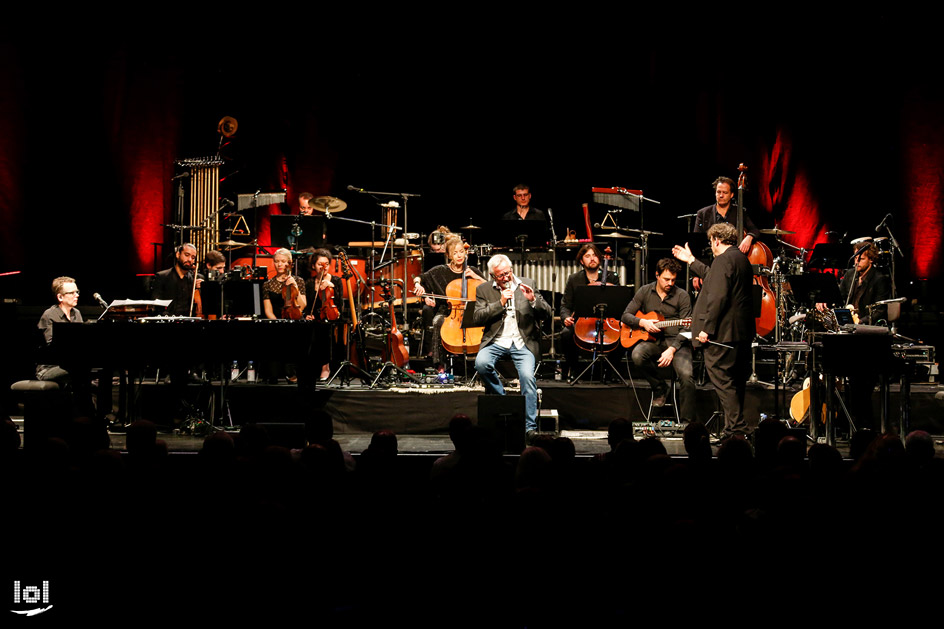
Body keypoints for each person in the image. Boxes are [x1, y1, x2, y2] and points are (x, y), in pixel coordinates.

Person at [672, 223, 754, 440]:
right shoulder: (740, 259)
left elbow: (718, 297)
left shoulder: (723, 260)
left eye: (711, 242)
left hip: (722, 334)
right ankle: (732, 431)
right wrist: (691, 261)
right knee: (734, 382)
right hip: (739, 334)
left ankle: (738, 429)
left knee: (723, 380)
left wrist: (707, 329)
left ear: (717, 240)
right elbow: (713, 277)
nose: (711, 246)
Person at [472, 254, 551, 438]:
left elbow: (546, 312)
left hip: (522, 342)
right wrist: (499, 303)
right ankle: (503, 399)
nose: (506, 277)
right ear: (493, 276)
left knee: (527, 377)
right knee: (481, 364)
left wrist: (533, 300)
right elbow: (477, 317)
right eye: (500, 275)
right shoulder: (484, 289)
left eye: (508, 273)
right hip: (496, 340)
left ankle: (529, 427)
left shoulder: (527, 282)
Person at [621, 258, 696, 421]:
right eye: (666, 279)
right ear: (657, 275)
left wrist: (672, 349)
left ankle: (687, 423)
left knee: (687, 377)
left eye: (673, 280)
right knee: (637, 355)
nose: (670, 283)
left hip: (677, 343)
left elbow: (687, 327)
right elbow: (625, 316)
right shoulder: (645, 291)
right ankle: (660, 387)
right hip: (654, 340)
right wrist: (643, 322)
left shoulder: (682, 295)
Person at [413, 237, 486, 363]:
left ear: (465, 252)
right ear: (448, 255)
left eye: (461, 251)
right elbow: (419, 278)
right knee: (437, 321)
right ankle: (440, 365)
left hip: (471, 311)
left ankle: (482, 362)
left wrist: (475, 277)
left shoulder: (472, 271)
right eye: (455, 253)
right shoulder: (440, 271)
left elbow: (490, 287)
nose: (459, 256)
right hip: (448, 312)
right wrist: (418, 285)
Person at [559, 244, 620, 378]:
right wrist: (566, 318)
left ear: (599, 258)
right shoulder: (574, 279)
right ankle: (573, 369)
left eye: (594, 255)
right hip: (582, 321)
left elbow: (618, 303)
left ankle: (610, 372)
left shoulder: (611, 277)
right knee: (566, 334)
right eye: (587, 256)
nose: (592, 259)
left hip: (606, 320)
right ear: (582, 261)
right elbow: (565, 305)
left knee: (622, 334)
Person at [692, 176, 761, 290]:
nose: (721, 195)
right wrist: (697, 273)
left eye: (725, 192)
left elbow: (755, 230)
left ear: (732, 195)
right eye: (718, 192)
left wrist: (749, 237)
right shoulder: (703, 214)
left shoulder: (740, 212)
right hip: (710, 265)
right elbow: (697, 245)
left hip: (734, 265)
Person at [303, 248, 342, 381]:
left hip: (331, 316)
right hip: (315, 317)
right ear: (314, 266)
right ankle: (308, 367)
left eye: (326, 264)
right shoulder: (309, 283)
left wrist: (330, 286)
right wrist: (308, 315)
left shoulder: (336, 281)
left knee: (323, 329)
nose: (323, 267)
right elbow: (308, 305)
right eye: (320, 264)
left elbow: (339, 302)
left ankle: (325, 367)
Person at [151, 243, 201, 316]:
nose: (190, 259)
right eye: (187, 255)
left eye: (193, 257)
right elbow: (156, 304)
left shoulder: (194, 279)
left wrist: (200, 289)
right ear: (178, 255)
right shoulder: (162, 277)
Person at [263, 248, 307, 320]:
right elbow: (268, 311)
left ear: (289, 263)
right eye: (276, 261)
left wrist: (295, 286)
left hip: (296, 320)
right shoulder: (267, 284)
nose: (279, 264)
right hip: (276, 321)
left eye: (283, 261)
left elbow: (302, 305)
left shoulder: (299, 280)